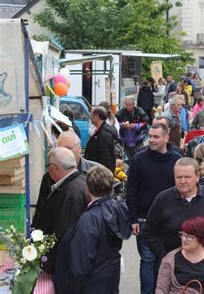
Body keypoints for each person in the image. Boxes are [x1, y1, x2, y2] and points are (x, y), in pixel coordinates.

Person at [54, 166, 132, 294]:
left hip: (92, 285)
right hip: (109, 280)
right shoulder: (116, 209)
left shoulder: (89, 220)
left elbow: (80, 265)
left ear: (87, 189)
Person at [126, 123, 181, 294]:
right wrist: (133, 218)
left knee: (165, 259)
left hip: (170, 221)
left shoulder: (176, 160)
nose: (151, 140)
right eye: (150, 136)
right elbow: (131, 190)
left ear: (166, 137)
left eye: (156, 137)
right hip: (144, 220)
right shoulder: (139, 159)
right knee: (148, 260)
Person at [143, 158, 204, 263]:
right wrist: (163, 256)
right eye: (179, 177)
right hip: (173, 269)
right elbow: (149, 232)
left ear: (197, 176)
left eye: (187, 177)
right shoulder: (163, 199)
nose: (182, 181)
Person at [32, 148, 89, 274]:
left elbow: (63, 233)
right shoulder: (80, 182)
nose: (48, 170)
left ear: (55, 167)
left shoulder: (69, 193)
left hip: (66, 267)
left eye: (48, 166)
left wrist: (48, 265)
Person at [156, 216, 204, 294]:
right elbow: (161, 289)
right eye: (182, 235)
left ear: (201, 238)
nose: (184, 239)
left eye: (189, 237)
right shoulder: (170, 259)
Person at [85, 106, 117, 173]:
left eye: (91, 115)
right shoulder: (99, 131)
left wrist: (102, 175)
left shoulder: (104, 134)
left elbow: (105, 158)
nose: (90, 117)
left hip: (100, 175)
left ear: (96, 116)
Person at [115, 96, 148, 161]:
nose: (128, 107)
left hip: (137, 141)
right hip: (125, 141)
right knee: (129, 160)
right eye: (126, 105)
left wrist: (135, 125)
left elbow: (145, 122)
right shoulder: (121, 112)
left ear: (134, 104)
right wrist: (122, 125)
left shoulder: (139, 111)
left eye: (130, 105)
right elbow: (115, 123)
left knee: (139, 158)